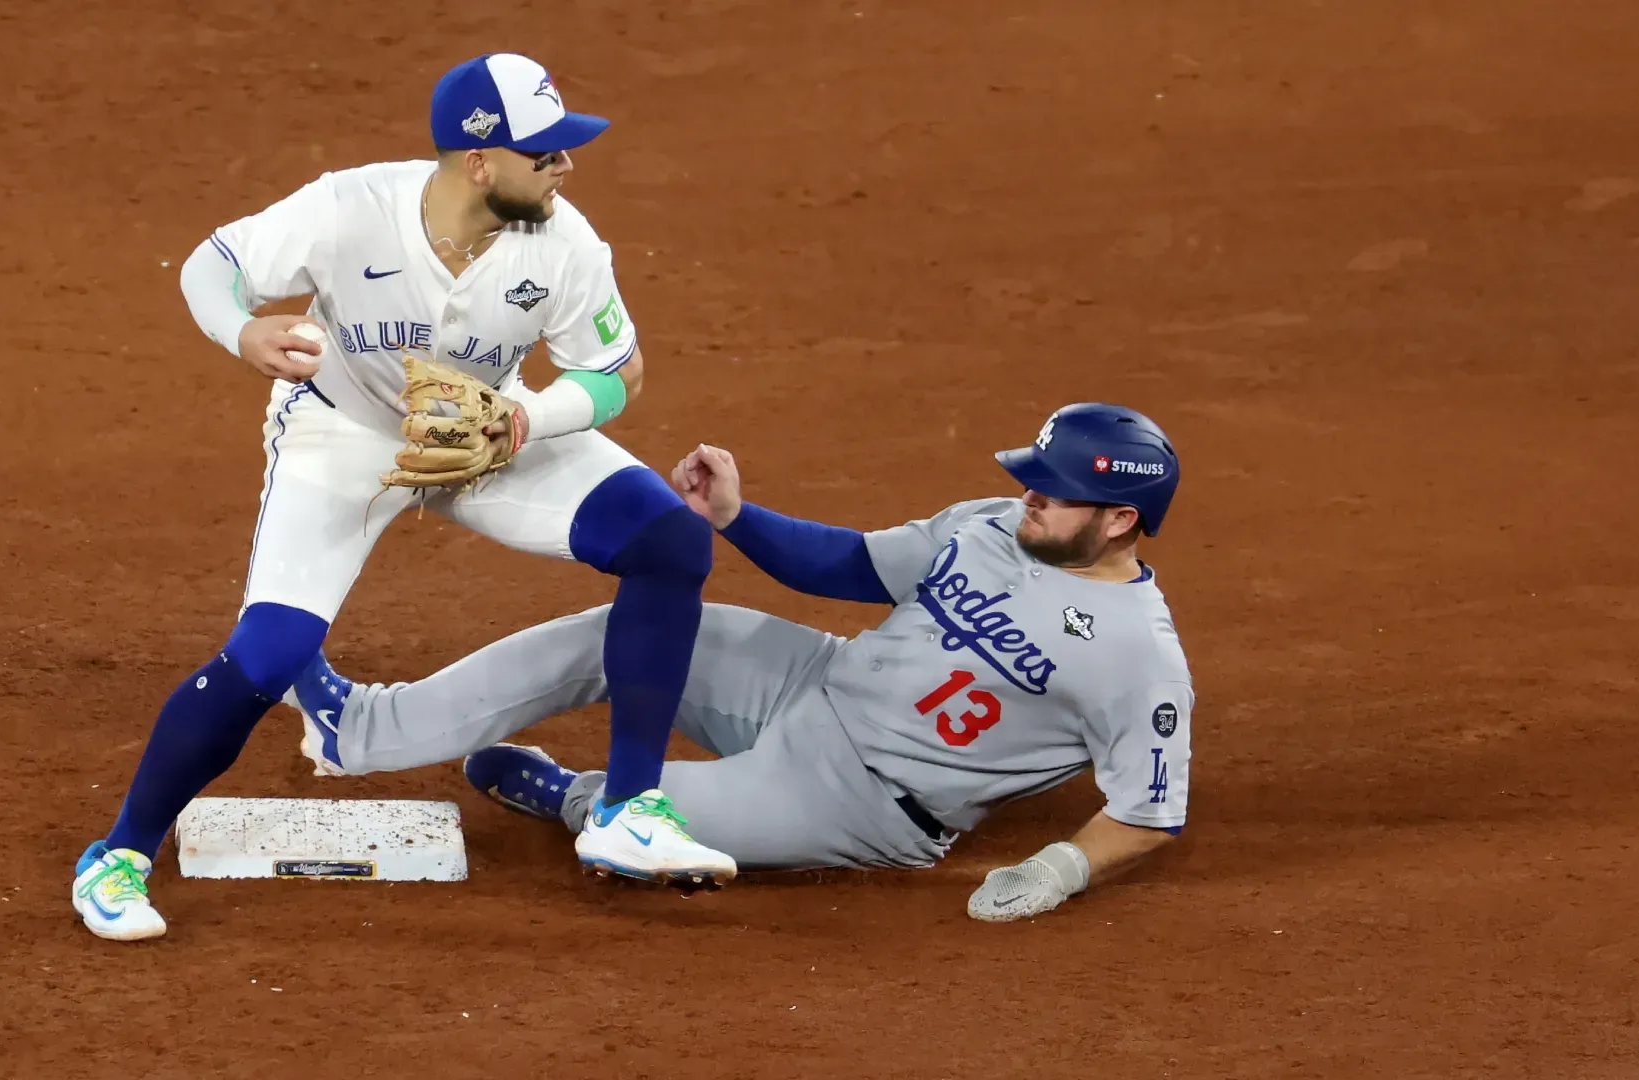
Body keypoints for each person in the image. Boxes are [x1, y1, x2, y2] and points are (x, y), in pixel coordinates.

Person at [72, 53, 736, 943]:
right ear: (478, 161)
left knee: (669, 541)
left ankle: (627, 806)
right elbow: (212, 263)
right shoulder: (351, 209)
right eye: (544, 154)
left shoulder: (564, 241)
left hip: (490, 436)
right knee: (267, 659)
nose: (564, 168)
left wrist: (523, 421)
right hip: (342, 439)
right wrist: (243, 330)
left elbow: (617, 372)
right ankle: (117, 856)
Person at [302, 403, 1196, 921]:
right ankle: (368, 725)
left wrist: (1057, 871)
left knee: (634, 826)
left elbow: (1149, 813)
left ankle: (568, 793)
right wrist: (735, 515)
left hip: (865, 798)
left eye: (1054, 491)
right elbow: (847, 565)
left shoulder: (1137, 657)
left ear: (1119, 518)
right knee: (623, 631)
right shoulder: (994, 525)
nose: (1029, 494)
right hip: (816, 677)